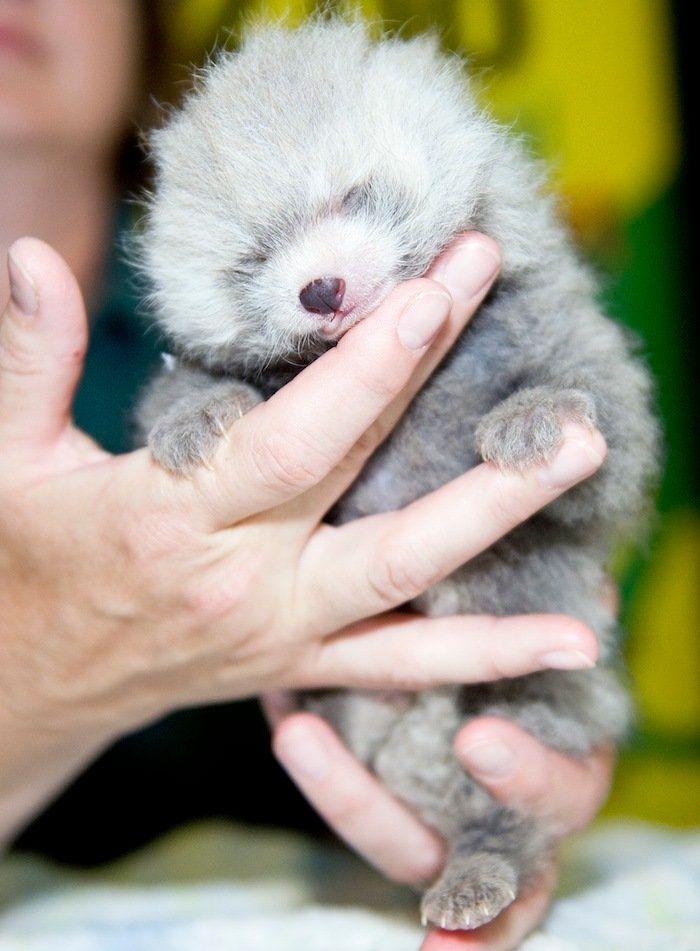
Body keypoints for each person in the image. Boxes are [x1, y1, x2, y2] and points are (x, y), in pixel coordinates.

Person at [0, 3, 612, 948]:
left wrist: (517, 775)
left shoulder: (478, 252)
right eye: (257, 253)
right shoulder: (211, 341)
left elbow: (600, 441)